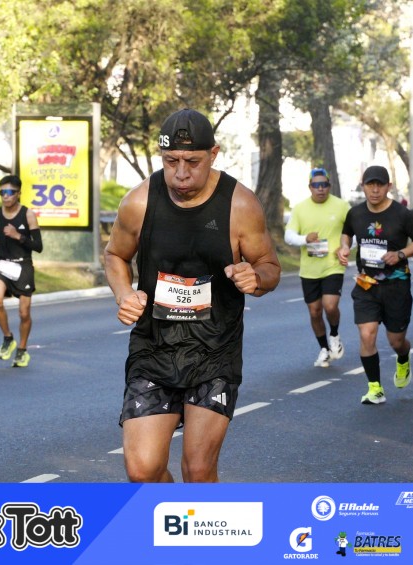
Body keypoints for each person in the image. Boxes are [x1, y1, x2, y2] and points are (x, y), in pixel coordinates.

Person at [104, 108, 281, 482]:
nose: (181, 173)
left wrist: (256, 277)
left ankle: (198, 522)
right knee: (142, 470)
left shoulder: (240, 205)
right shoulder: (139, 202)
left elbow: (269, 266)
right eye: (171, 161)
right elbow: (115, 254)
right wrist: (123, 293)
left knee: (198, 470)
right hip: (154, 346)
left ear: (213, 155)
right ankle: (175, 515)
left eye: (192, 162)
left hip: (215, 350)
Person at [337, 165, 413, 405]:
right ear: (363, 186)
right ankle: (375, 388)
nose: (375, 190)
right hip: (366, 284)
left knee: (396, 340)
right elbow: (347, 233)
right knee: (367, 335)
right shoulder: (355, 213)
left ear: (389, 186)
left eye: (380, 185)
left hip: (396, 285)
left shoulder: (403, 214)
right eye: (370, 185)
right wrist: (344, 247)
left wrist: (400, 254)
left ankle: (403, 357)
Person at [285, 167, 351, 368]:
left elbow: (354, 232)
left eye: (324, 185)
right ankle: (324, 349)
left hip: (333, 265)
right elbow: (289, 236)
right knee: (315, 312)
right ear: (310, 187)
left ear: (329, 186)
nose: (320, 189)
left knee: (330, 306)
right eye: (316, 185)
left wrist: (346, 247)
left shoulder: (341, 206)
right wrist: (305, 239)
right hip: (309, 269)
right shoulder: (300, 208)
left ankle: (334, 335)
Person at [0, 174, 42, 368]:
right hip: (2, 264)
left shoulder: (28, 215)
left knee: (24, 313)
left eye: (10, 192)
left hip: (22, 266)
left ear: (18, 194)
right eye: (2, 192)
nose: (5, 196)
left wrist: (18, 236)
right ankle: (8, 338)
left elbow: (38, 246)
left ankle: (22, 350)